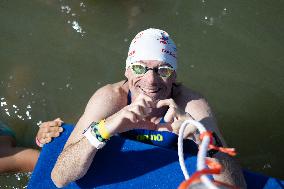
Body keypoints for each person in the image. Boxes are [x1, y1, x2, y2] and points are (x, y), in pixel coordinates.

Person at [46, 28, 246, 188]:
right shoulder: (110, 99)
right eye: (139, 68)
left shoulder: (191, 105)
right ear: (127, 70)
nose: (151, 80)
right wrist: (106, 127)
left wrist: (204, 141)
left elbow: (235, 185)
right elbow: (59, 177)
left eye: (164, 70)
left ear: (174, 75)